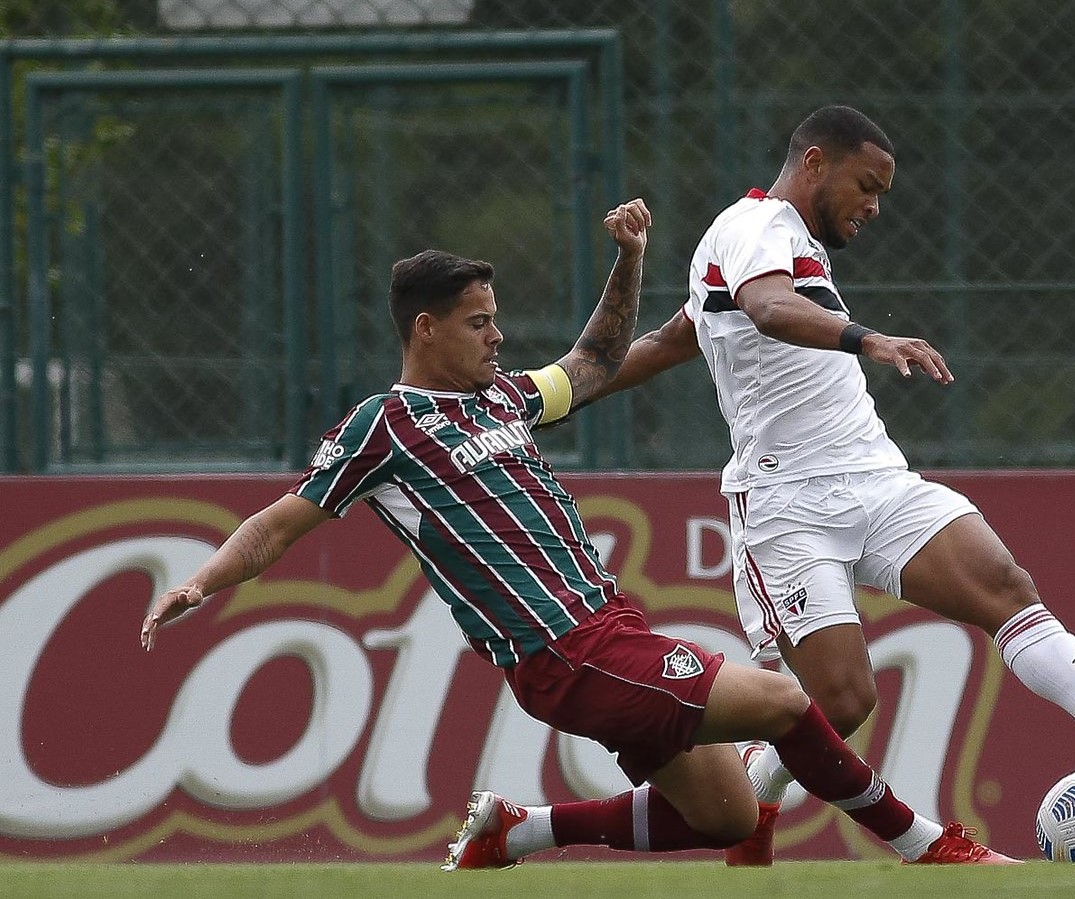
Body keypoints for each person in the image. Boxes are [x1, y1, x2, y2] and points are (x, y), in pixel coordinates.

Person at [138, 198, 1015, 868]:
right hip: (563, 648)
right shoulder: (385, 424)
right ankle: (930, 847)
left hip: (609, 629)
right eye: (480, 321)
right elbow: (280, 522)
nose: (499, 334)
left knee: (726, 815)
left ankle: (518, 832)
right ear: (425, 327)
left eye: (496, 318)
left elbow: (593, 360)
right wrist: (205, 579)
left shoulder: (504, 397)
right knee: (786, 703)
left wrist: (627, 259)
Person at [586, 107, 1075, 866]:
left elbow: (672, 340)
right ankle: (754, 800)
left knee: (1001, 581)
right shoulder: (755, 225)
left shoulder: (776, 248)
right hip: (787, 503)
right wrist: (871, 337)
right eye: (867, 185)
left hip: (875, 476)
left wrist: (561, 391)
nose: (874, 207)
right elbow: (764, 306)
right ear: (815, 162)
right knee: (844, 700)